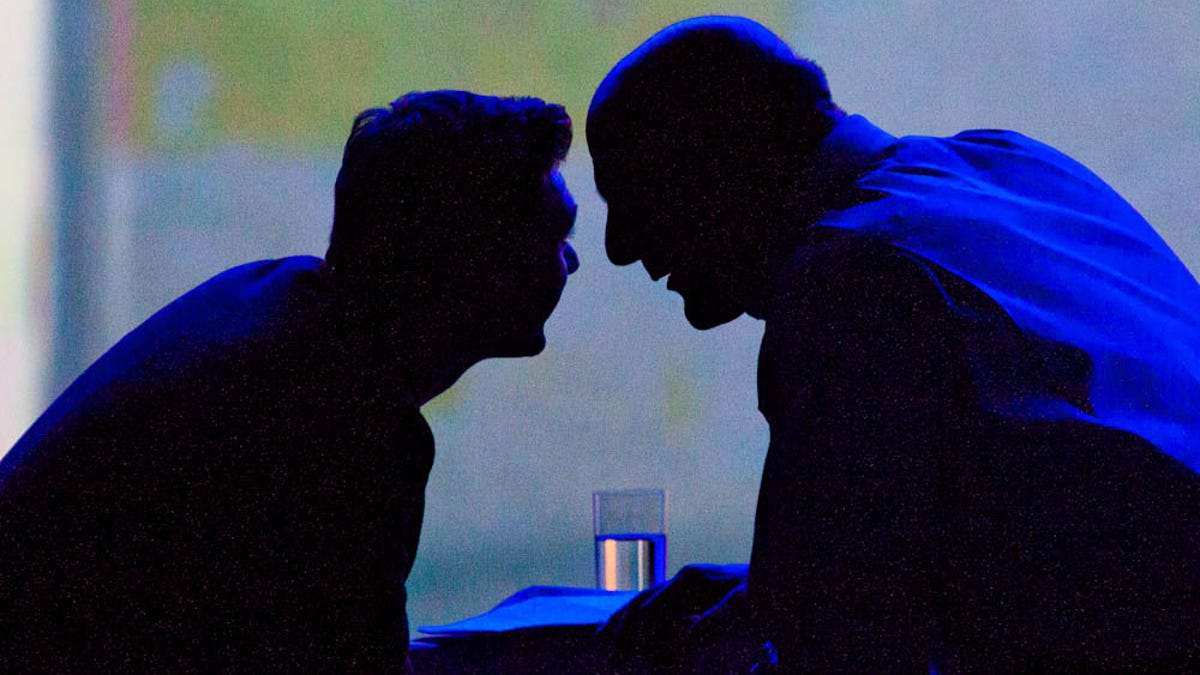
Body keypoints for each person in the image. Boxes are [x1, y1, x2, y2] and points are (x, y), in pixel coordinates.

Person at [588, 16, 1200, 673]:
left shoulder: (849, 280)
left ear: (726, 155)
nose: (619, 246)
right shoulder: (1018, 166)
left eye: (639, 188)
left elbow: (840, 646)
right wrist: (770, 588)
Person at [0, 90, 579, 672]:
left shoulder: (273, 305)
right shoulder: (351, 422)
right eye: (555, 238)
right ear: (472, 255)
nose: (574, 260)